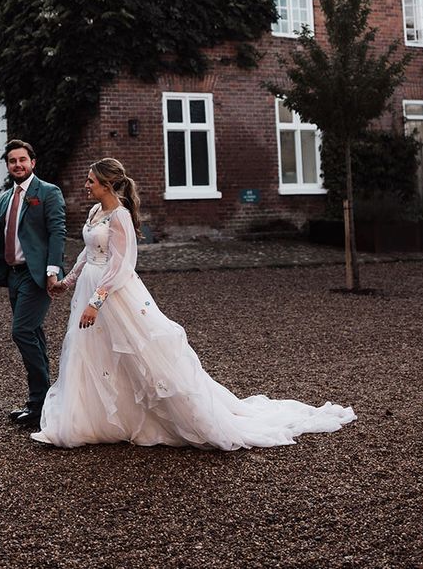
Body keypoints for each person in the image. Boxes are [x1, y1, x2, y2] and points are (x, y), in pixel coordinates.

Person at [32, 158, 356, 449]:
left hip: (112, 292)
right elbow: (88, 253)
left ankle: (156, 416)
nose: (86, 185)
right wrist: (68, 281)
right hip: (88, 285)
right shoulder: (94, 211)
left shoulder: (120, 217)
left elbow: (121, 265)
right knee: (88, 351)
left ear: (106, 184)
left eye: (90, 181)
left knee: (135, 351)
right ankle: (90, 420)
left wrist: (96, 301)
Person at [0, 140, 66, 428]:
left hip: (36, 276)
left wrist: (52, 271)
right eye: (12, 161)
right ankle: (42, 402)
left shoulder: (48, 193)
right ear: (8, 165)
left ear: (33, 162)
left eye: (22, 160)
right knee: (33, 333)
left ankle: (40, 403)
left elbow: (57, 232)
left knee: (22, 331)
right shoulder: (5, 198)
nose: (18, 165)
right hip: (13, 276)